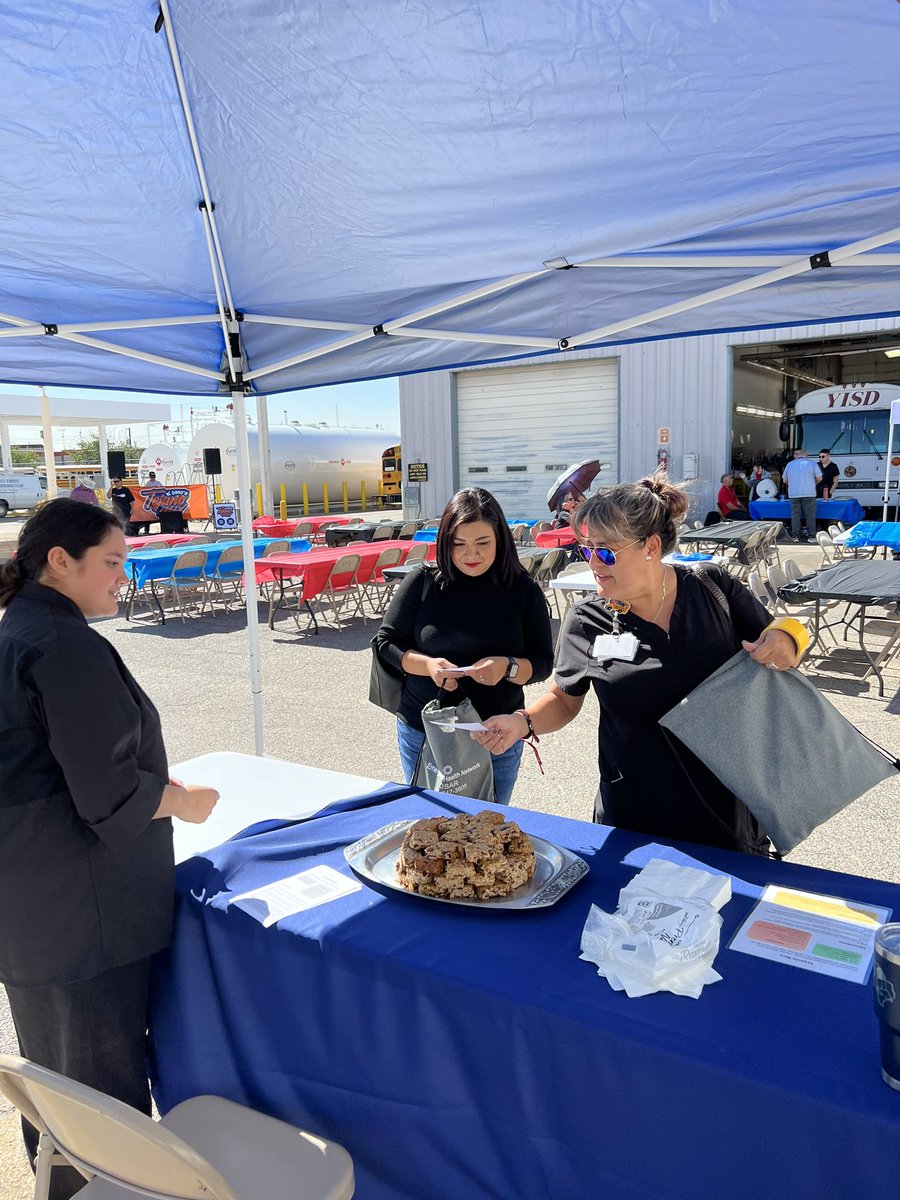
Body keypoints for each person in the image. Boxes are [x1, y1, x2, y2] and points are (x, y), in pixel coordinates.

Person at [0, 500, 219, 1199]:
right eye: (113, 563)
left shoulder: (21, 630)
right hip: (81, 921)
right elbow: (111, 797)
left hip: (36, 911)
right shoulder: (62, 646)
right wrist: (181, 799)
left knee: (57, 1088)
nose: (122, 579)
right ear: (60, 561)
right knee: (101, 1099)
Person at [473, 474, 808, 854]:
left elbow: (782, 636)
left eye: (607, 552)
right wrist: (522, 721)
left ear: (650, 547)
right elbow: (565, 698)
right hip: (632, 815)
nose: (594, 563)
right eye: (586, 550)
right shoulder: (585, 620)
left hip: (725, 812)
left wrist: (789, 638)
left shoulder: (710, 588)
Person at [374, 487, 554, 805]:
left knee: (488, 830)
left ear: (500, 539)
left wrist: (508, 667)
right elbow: (386, 644)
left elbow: (542, 662)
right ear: (445, 542)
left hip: (496, 735)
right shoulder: (422, 581)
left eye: (482, 543)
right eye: (459, 545)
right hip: (424, 730)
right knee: (429, 824)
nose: (471, 555)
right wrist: (428, 666)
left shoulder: (523, 591)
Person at [782, 448, 822, 541]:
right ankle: (811, 536)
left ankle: (795, 536)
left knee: (795, 515)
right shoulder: (812, 463)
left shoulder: (789, 464)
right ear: (806, 455)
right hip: (809, 493)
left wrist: (792, 485)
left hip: (794, 493)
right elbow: (819, 478)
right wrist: (813, 483)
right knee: (810, 515)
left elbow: (784, 480)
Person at [134, 470, 164, 535]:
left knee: (160, 516)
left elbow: (163, 490)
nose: (153, 478)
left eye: (153, 477)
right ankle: (147, 530)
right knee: (148, 516)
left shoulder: (158, 483)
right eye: (151, 477)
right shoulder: (148, 483)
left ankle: (163, 529)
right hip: (150, 502)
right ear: (150, 477)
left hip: (158, 501)